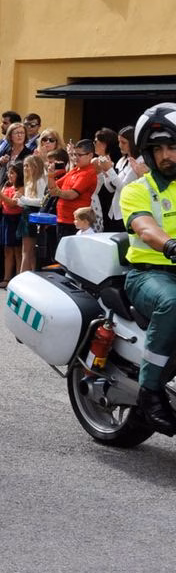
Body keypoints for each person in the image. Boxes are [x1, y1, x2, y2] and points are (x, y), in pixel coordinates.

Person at [119, 103, 176, 435]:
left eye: (172, 147)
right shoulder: (138, 189)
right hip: (148, 275)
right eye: (158, 149)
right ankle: (150, 389)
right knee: (174, 302)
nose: (167, 155)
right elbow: (145, 227)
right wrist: (169, 245)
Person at [46, 138, 98, 239]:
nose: (76, 158)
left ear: (90, 155)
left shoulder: (88, 173)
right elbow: (52, 188)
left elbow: (72, 195)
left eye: (79, 155)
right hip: (62, 219)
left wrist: (56, 192)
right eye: (74, 154)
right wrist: (50, 175)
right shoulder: (75, 170)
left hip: (75, 222)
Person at [0, 160, 25, 288]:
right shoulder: (7, 186)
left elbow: (13, 203)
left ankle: (18, 279)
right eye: (9, 173)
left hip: (17, 219)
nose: (9, 175)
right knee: (7, 251)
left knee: (18, 252)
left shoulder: (22, 188)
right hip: (6, 218)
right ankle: (6, 278)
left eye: (12, 173)